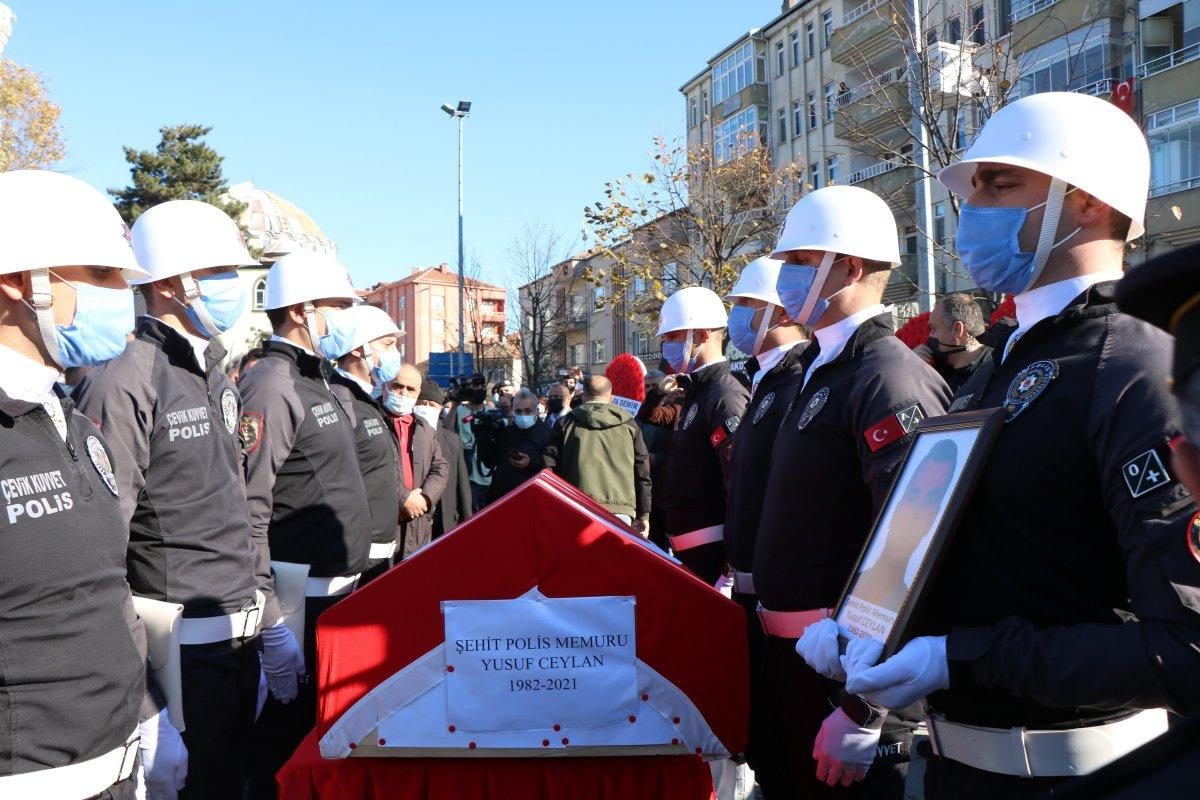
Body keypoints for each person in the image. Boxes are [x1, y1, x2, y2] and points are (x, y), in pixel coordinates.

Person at [810, 92, 1200, 800]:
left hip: (1083, 776)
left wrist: (963, 658)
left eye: (1001, 184)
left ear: (1084, 202)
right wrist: (866, 627)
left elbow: (1186, 643)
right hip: (961, 770)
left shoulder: (1132, 366)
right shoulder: (1003, 361)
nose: (975, 206)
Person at [72, 199, 274, 799]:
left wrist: (264, 622)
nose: (234, 287)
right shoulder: (126, 373)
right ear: (170, 283)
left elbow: (231, 502)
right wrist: (145, 701)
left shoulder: (210, 367)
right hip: (178, 658)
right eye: (219, 272)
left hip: (236, 640)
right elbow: (101, 542)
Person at [756, 184, 951, 796]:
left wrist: (870, 711)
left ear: (852, 267)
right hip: (797, 667)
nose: (783, 277)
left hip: (842, 679)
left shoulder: (887, 378)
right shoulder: (825, 366)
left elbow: (914, 551)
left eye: (800, 262)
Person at [0, 170, 149, 798]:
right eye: (102, 276)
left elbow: (102, 592)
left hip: (114, 769)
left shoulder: (71, 416)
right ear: (17, 282)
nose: (125, 296)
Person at [238, 251, 372, 799]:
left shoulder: (315, 380)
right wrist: (271, 621)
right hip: (298, 604)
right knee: (283, 749)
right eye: (338, 307)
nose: (346, 317)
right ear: (302, 310)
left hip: (337, 595)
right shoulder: (272, 384)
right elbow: (248, 505)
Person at [721, 255, 811, 797]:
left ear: (777, 310)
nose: (735, 318)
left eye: (744, 306)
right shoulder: (769, 382)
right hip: (759, 593)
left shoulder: (797, 377)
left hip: (803, 612)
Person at [323, 304, 404, 581]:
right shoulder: (341, 399)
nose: (396, 354)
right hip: (359, 554)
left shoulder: (367, 399)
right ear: (358, 349)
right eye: (388, 344)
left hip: (379, 549)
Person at [852, 439, 957, 614]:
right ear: (895, 507)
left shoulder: (911, 612)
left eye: (930, 500)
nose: (914, 514)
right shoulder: (850, 588)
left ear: (932, 520)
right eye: (913, 495)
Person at [543, 375, 651, 530]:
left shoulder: (565, 423)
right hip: (621, 509)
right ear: (611, 397)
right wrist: (644, 514)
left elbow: (549, 467)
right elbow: (642, 470)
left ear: (583, 396)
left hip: (577, 505)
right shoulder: (629, 424)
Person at [381, 364, 449, 559]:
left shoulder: (424, 427)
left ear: (418, 392)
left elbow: (440, 467)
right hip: (385, 523)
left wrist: (425, 498)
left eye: (410, 389)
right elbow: (369, 469)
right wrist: (403, 499)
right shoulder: (371, 419)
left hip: (418, 526)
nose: (403, 393)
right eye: (397, 386)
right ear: (386, 386)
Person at [413, 377, 473, 538]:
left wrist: (467, 521)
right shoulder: (405, 435)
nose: (426, 408)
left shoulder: (452, 440)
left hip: (445, 521)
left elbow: (462, 485)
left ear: (440, 408)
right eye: (422, 403)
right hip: (415, 518)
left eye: (432, 405)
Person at [485, 387, 551, 502]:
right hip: (504, 495)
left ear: (536, 410)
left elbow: (552, 467)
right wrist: (484, 439)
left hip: (533, 496)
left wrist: (531, 463)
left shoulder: (547, 433)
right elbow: (490, 461)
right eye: (519, 411)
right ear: (513, 410)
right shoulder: (507, 432)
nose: (523, 415)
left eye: (528, 410)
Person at [918, 293, 991, 392]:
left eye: (933, 329)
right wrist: (912, 366)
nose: (930, 336)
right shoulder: (937, 372)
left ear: (957, 330)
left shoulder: (995, 367)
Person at [636, 370, 674, 550]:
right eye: (647, 386)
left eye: (654, 386)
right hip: (643, 491)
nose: (650, 390)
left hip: (665, 491)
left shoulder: (674, 410)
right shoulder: (640, 413)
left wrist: (653, 459)